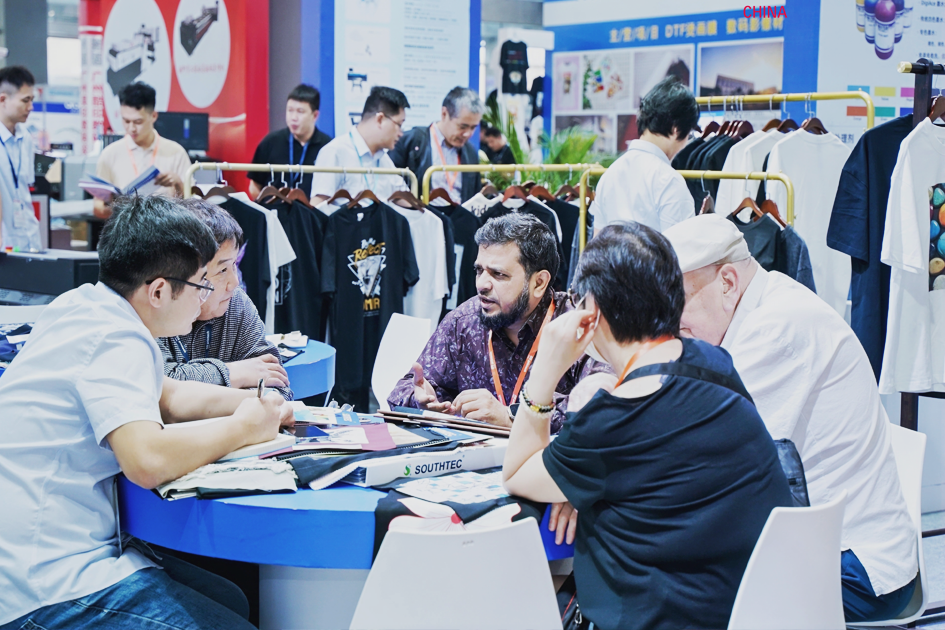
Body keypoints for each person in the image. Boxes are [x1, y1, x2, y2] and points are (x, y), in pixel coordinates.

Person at [0, 195, 293, 630]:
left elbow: (169, 397)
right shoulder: (117, 337)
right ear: (158, 291)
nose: (207, 296)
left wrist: (259, 404)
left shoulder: (84, 305)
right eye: (201, 283)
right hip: (45, 579)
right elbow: (147, 460)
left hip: (45, 547)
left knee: (230, 597)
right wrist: (245, 427)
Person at [502, 221, 792, 630]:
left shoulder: (614, 421)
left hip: (655, 616)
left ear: (592, 312)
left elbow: (517, 473)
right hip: (746, 611)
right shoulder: (714, 363)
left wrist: (545, 372)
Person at [663, 214, 919, 623]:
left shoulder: (775, 329)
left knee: (675, 583)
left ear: (727, 282)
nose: (671, 323)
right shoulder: (766, 303)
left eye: (677, 303)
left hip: (855, 566)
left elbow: (692, 446)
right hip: (827, 543)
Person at [387, 213, 611, 431]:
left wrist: (511, 416)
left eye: (498, 274)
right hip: (473, 454)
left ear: (539, 283)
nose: (481, 284)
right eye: (479, 270)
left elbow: (605, 409)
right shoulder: (462, 322)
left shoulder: (579, 325)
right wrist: (421, 402)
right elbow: (402, 392)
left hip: (547, 455)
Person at [157, 198, 293, 400]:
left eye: (235, 265)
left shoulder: (236, 303)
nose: (234, 282)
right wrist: (234, 373)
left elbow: (276, 384)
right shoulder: (154, 309)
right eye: (222, 270)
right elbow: (161, 384)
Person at [591, 76, 698, 234]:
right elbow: (681, 247)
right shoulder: (669, 181)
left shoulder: (610, 174)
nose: (686, 141)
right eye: (689, 134)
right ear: (676, 129)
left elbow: (598, 242)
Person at [94, 82, 192, 219]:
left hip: (165, 228)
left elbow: (192, 206)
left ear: (154, 116)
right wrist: (114, 208)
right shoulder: (110, 154)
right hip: (124, 228)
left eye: (138, 122)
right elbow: (98, 207)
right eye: (126, 121)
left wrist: (178, 183)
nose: (131, 128)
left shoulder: (176, 152)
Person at [310, 86, 410, 204]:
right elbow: (318, 205)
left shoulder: (384, 161)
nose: (401, 133)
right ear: (380, 119)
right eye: (399, 125)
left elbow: (406, 201)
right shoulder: (335, 152)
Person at [390, 86, 483, 203]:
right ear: (444, 114)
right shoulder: (411, 142)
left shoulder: (470, 152)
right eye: (462, 126)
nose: (468, 134)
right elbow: (391, 187)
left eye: (473, 128)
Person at [249, 83, 332, 199]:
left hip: (310, 209)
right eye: (290, 110)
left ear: (315, 115)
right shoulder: (270, 142)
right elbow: (254, 186)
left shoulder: (327, 147)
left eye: (300, 111)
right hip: (273, 209)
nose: (293, 117)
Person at [0, 66, 39, 251]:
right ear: (3, 99)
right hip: (4, 240)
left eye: (31, 100)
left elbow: (25, 189)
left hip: (30, 237)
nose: (30, 107)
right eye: (25, 100)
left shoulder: (26, 138)